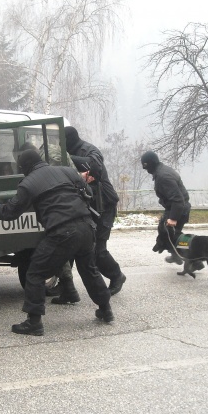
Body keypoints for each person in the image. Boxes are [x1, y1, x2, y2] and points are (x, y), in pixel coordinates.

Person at [0, 149, 114, 335]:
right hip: (86, 228)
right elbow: (88, 193)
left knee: (35, 273)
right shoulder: (68, 171)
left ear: (25, 167)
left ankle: (34, 323)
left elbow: (11, 212)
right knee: (89, 270)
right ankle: (106, 309)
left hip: (62, 232)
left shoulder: (28, 183)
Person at [64, 126, 127, 296]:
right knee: (76, 246)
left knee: (98, 249)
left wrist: (68, 157)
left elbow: (95, 166)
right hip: (88, 205)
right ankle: (65, 286)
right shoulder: (70, 152)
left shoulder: (88, 150)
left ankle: (117, 276)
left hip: (104, 205)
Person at [140, 150, 201, 269]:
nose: (146, 170)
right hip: (176, 207)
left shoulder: (163, 176)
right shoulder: (161, 171)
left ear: (151, 164)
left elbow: (178, 199)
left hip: (178, 208)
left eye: (146, 167)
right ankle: (176, 255)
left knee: (174, 236)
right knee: (167, 233)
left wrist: (173, 218)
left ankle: (195, 261)